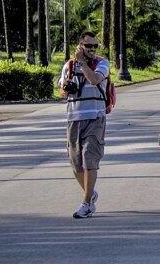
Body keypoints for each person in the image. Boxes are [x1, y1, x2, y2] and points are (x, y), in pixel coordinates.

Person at [58, 31, 110, 219]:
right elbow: (62, 90)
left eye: (95, 46)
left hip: (95, 117)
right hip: (74, 118)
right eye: (88, 46)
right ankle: (91, 193)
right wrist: (66, 87)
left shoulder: (102, 63)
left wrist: (83, 63)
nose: (93, 49)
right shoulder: (69, 66)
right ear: (80, 46)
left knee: (90, 158)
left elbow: (95, 79)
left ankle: (87, 203)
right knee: (75, 163)